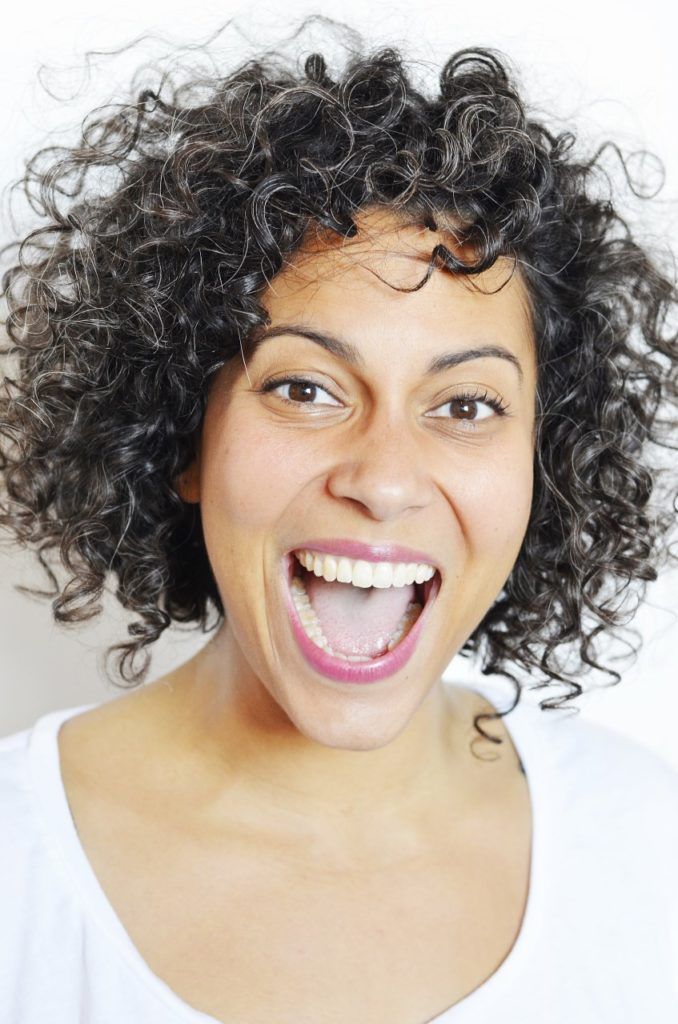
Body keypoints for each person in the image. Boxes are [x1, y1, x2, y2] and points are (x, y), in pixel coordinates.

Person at [0, 19, 677, 1023]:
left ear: (545, 461)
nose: (387, 479)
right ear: (184, 433)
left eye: (466, 406)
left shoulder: (653, 847)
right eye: (307, 388)